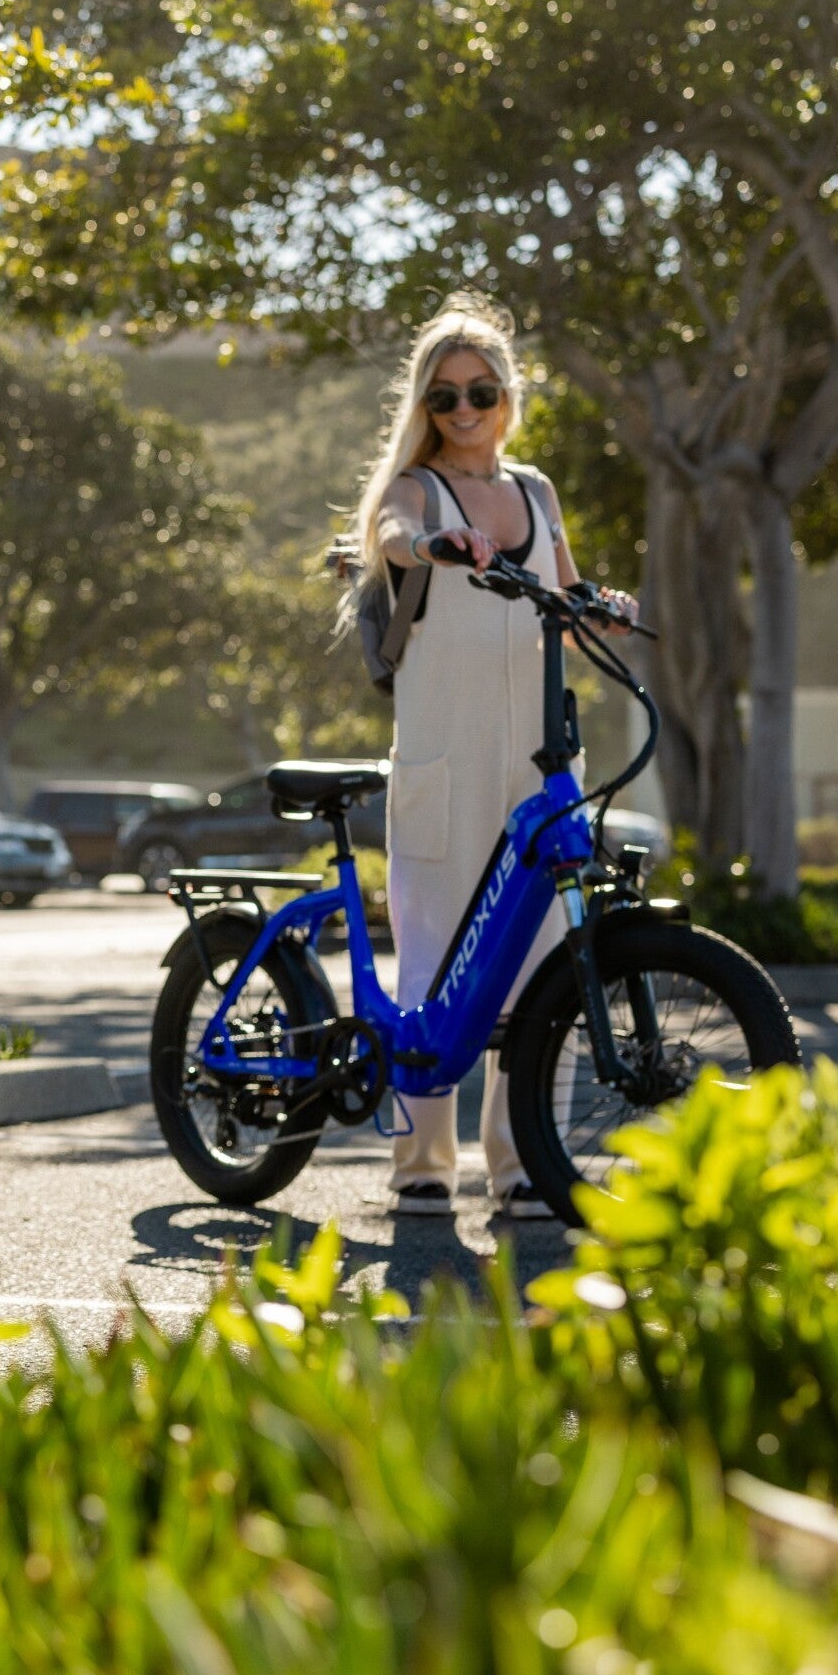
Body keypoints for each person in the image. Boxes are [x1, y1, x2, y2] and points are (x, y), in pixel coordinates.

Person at [344, 297, 637, 1221]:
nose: (464, 410)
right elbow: (391, 534)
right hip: (444, 760)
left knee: (542, 960)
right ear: (424, 407)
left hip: (536, 760)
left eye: (480, 391)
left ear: (508, 396)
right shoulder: (414, 490)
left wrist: (598, 604)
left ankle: (522, 1163)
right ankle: (421, 1162)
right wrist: (430, 543)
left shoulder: (538, 492)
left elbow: (561, 589)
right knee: (434, 955)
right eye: (444, 396)